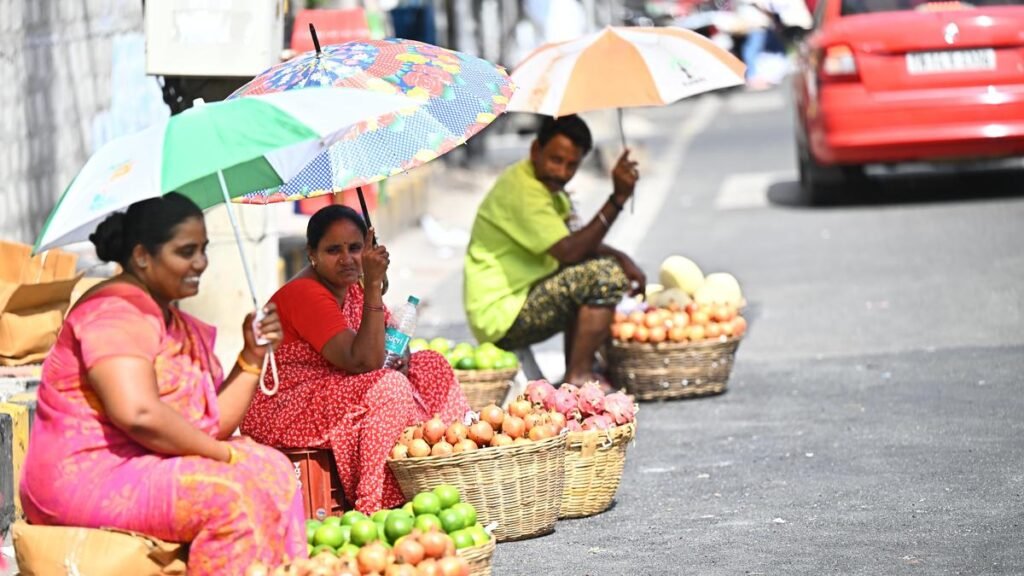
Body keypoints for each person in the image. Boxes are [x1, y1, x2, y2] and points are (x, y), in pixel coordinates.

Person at [19, 193, 304, 575]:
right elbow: (137, 414)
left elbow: (208, 426)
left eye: (203, 250)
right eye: (186, 252)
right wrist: (221, 457)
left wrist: (252, 358)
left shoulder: (167, 316)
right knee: (230, 494)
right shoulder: (115, 311)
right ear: (141, 256)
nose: (200, 263)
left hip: (144, 461)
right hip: (87, 474)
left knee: (274, 468)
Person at [241, 205, 469, 514]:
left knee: (432, 366)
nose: (347, 259)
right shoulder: (306, 294)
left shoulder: (352, 287)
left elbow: (387, 338)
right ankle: (376, 506)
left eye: (355, 248)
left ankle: (447, 474)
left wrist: (401, 355)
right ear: (312, 254)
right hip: (287, 405)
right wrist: (374, 284)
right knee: (388, 388)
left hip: (337, 385)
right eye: (333, 250)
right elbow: (362, 362)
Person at [463, 115, 646, 386]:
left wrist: (622, 257)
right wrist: (617, 199)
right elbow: (570, 251)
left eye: (572, 165)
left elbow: (578, 240)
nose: (561, 172)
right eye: (555, 160)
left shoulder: (549, 188)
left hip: (526, 296)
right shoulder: (523, 190)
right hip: (502, 315)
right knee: (602, 277)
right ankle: (578, 377)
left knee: (597, 269)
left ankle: (584, 369)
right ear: (535, 150)